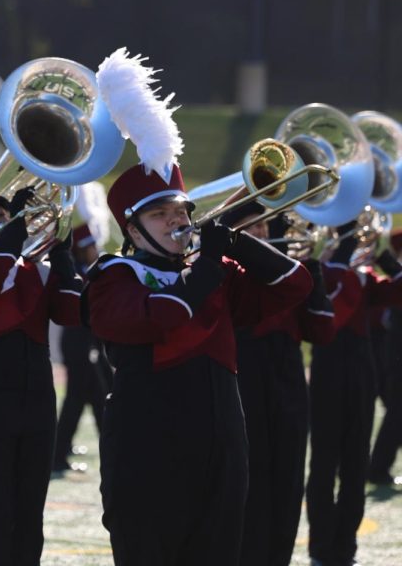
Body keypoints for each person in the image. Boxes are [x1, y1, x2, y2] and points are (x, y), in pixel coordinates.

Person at [84, 162, 311, 566]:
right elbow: (165, 313)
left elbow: (295, 283)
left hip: (222, 450)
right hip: (147, 451)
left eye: (181, 212)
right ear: (133, 231)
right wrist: (208, 264)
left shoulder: (212, 273)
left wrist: (238, 242)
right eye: (159, 214)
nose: (176, 220)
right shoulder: (114, 275)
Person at [0, 188, 82, 565]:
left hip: (40, 394)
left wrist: (62, 253)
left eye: (2, 215)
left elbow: (72, 312)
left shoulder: (34, 267)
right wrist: (17, 227)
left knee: (30, 513)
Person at [225, 204, 334, 566]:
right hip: (243, 376)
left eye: (263, 227)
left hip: (286, 378)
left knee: (288, 480)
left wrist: (313, 270)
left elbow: (321, 331)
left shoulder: (289, 273)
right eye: (249, 228)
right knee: (248, 479)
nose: (259, 234)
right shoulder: (226, 274)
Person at [306, 219, 402, 566]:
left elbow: (396, 292)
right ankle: (321, 549)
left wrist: (389, 263)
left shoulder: (360, 275)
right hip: (329, 371)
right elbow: (331, 315)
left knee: (355, 464)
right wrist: (345, 262)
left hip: (361, 372)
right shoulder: (319, 270)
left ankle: (345, 549)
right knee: (324, 463)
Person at [51, 223, 113, 475]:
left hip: (88, 341)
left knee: (95, 398)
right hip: (78, 342)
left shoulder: (86, 271)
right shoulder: (77, 273)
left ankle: (62, 451)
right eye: (90, 246)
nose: (95, 250)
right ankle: (58, 455)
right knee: (82, 400)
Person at [368, 229, 402, 486]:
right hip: (396, 357)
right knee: (396, 414)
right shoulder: (394, 276)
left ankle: (379, 466)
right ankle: (378, 467)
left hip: (392, 355)